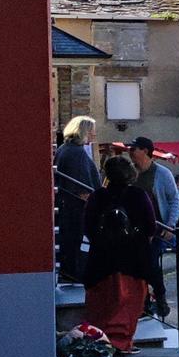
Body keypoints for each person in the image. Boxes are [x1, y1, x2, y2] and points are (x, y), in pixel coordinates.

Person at [81, 154, 157, 353]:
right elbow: (150, 227)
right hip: (133, 261)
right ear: (130, 173)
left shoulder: (97, 196)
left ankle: (101, 342)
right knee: (129, 304)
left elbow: (88, 227)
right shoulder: (139, 195)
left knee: (102, 305)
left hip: (102, 261)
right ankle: (122, 343)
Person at [129, 138, 179, 321]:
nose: (130, 151)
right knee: (137, 266)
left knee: (151, 263)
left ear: (145, 151)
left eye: (133, 148)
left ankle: (159, 297)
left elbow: (174, 200)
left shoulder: (162, 173)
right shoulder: (130, 173)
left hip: (157, 228)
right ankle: (144, 301)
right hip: (133, 230)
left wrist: (171, 224)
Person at [55, 116, 99, 283]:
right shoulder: (76, 153)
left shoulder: (65, 149)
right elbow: (83, 188)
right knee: (79, 244)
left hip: (68, 208)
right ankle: (76, 272)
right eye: (91, 130)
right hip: (77, 210)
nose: (93, 135)